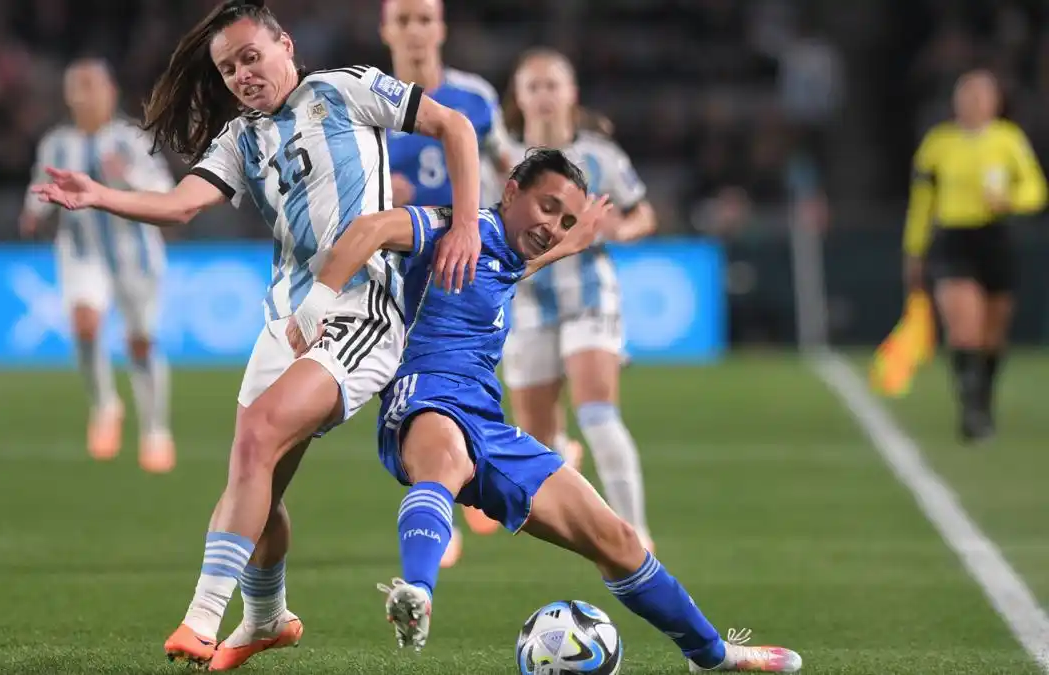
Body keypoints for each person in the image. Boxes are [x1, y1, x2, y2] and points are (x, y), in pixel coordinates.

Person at [31, 0, 485, 670]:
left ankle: (198, 621)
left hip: (361, 311)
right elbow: (182, 204)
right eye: (228, 68)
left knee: (260, 432)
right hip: (285, 325)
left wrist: (468, 221)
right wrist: (100, 195)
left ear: (285, 45)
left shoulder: (344, 88)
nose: (242, 74)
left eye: (251, 57)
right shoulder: (242, 138)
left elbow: (453, 126)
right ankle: (268, 617)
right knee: (256, 481)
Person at [287, 149, 802, 673]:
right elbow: (372, 227)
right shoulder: (453, 227)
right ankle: (417, 593)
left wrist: (571, 244)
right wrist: (318, 301)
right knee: (444, 464)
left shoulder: (509, 255)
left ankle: (711, 656)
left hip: (489, 424)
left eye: (566, 220)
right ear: (511, 191)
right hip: (426, 397)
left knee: (617, 539)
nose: (553, 226)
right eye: (547, 207)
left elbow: (510, 267)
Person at [501, 48, 658, 550]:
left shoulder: (599, 155)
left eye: (553, 85)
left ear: (571, 94)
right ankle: (567, 469)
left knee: (599, 414)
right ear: (519, 98)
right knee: (538, 443)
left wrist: (622, 230)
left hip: (590, 292)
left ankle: (634, 533)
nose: (545, 96)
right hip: (526, 297)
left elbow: (643, 215)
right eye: (534, 87)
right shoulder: (500, 156)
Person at [380, 0, 516, 566]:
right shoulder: (369, 102)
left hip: (468, 264)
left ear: (441, 28)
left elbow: (510, 165)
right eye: (403, 20)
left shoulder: (475, 98)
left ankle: (459, 483)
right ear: (386, 29)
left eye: (424, 19)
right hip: (400, 267)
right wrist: (385, 195)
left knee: (470, 375)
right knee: (403, 389)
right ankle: (439, 496)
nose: (415, 31)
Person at [19, 58, 177, 473]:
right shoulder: (57, 143)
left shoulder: (130, 140)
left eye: (93, 86)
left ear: (110, 92)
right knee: (85, 324)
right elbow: (41, 184)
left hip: (135, 251)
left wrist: (126, 177)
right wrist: (33, 212)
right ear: (69, 96)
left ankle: (155, 430)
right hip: (81, 251)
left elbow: (165, 190)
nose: (86, 96)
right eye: (78, 87)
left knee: (140, 341)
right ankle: (105, 405)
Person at [904, 69, 1047, 442]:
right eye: (967, 95)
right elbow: (922, 201)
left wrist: (1011, 201)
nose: (974, 103)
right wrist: (914, 249)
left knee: (993, 332)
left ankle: (984, 399)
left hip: (995, 237)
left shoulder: (1008, 140)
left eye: (982, 96)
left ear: (995, 102)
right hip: (954, 239)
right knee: (964, 326)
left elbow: (1035, 189)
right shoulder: (938, 144)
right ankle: (970, 409)